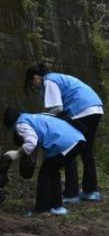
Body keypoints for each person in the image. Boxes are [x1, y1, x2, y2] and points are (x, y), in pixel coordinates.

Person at [24, 65, 104, 203]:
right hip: (95, 108)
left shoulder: (49, 80)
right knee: (86, 151)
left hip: (81, 110)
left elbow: (57, 108)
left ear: (36, 77)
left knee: (68, 147)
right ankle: (91, 191)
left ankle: (71, 193)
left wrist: (42, 118)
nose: (34, 87)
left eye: (32, 83)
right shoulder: (58, 77)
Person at [3, 106, 86, 216]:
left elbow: (31, 142)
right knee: (52, 171)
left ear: (11, 124)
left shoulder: (20, 124)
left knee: (45, 173)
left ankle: (42, 209)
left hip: (67, 143)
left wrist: (17, 153)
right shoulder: (34, 117)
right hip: (77, 139)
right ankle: (57, 207)